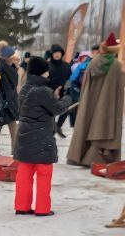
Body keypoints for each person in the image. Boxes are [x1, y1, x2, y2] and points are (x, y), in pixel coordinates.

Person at [13, 56, 73, 217]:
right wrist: (68, 97)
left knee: (24, 172)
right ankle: (42, 208)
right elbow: (58, 108)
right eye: (47, 71)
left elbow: (37, 106)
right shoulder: (42, 91)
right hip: (41, 137)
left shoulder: (25, 88)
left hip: (24, 135)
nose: (48, 74)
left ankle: (22, 206)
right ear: (42, 72)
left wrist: (53, 96)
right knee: (44, 173)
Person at [66, 35, 123, 167]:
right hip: (108, 103)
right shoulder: (116, 65)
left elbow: (86, 83)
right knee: (104, 125)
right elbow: (118, 88)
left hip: (90, 100)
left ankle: (80, 156)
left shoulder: (93, 62)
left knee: (87, 123)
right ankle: (99, 157)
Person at [0, 46, 20, 154]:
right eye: (11, 55)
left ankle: (15, 150)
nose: (13, 57)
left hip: (11, 101)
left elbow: (13, 86)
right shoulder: (0, 68)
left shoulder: (12, 67)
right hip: (3, 102)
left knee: (13, 127)